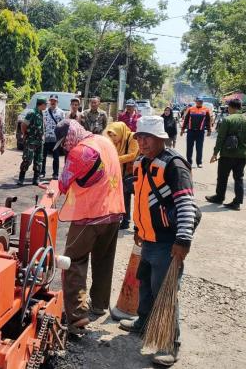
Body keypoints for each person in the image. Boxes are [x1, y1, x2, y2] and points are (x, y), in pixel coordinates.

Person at [120, 116, 198, 367]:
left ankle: (169, 344)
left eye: (147, 137)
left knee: (165, 292)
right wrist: (139, 228)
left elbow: (186, 204)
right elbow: (142, 195)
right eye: (139, 137)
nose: (142, 142)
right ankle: (144, 321)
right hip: (148, 238)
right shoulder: (142, 161)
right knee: (145, 283)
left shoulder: (174, 165)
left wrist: (183, 240)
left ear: (161, 138)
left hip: (168, 242)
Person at [54, 119, 124, 334]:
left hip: (89, 216)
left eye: (65, 142)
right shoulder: (103, 141)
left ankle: (76, 317)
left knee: (73, 261)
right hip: (113, 213)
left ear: (72, 135)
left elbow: (64, 184)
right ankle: (100, 304)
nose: (65, 146)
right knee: (104, 260)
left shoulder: (79, 152)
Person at [205, 98, 246, 211]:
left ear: (230, 107)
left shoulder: (228, 120)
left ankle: (219, 197)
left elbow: (220, 138)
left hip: (227, 155)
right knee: (239, 179)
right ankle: (237, 203)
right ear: (240, 107)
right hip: (242, 156)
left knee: (222, 177)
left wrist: (215, 153)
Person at [105, 122, 139, 230]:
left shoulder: (132, 137)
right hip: (122, 175)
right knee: (125, 199)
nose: (113, 138)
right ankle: (125, 222)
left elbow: (132, 155)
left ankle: (139, 224)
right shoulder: (115, 142)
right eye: (110, 135)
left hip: (135, 174)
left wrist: (115, 158)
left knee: (139, 200)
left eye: (114, 135)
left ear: (120, 132)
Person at [17, 98, 46, 185]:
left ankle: (36, 178)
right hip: (31, 141)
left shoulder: (41, 113)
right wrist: (25, 134)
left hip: (39, 142)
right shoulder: (32, 113)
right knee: (27, 159)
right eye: (45, 104)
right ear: (41, 104)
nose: (46, 105)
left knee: (38, 160)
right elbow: (23, 125)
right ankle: (21, 178)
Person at [180, 96, 212, 167]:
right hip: (190, 131)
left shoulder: (206, 110)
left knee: (199, 148)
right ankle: (189, 162)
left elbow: (208, 121)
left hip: (200, 132)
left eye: (201, 101)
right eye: (198, 101)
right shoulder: (190, 109)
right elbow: (186, 120)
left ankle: (199, 162)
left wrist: (209, 130)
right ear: (196, 102)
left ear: (202, 102)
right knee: (189, 147)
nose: (199, 102)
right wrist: (182, 129)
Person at [41, 94, 65, 179]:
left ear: (57, 102)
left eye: (54, 101)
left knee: (55, 157)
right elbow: (42, 124)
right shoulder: (44, 112)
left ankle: (55, 174)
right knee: (43, 157)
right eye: (51, 100)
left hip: (56, 139)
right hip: (46, 138)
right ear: (49, 101)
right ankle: (42, 172)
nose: (53, 102)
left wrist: (62, 138)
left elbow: (63, 126)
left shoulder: (61, 113)